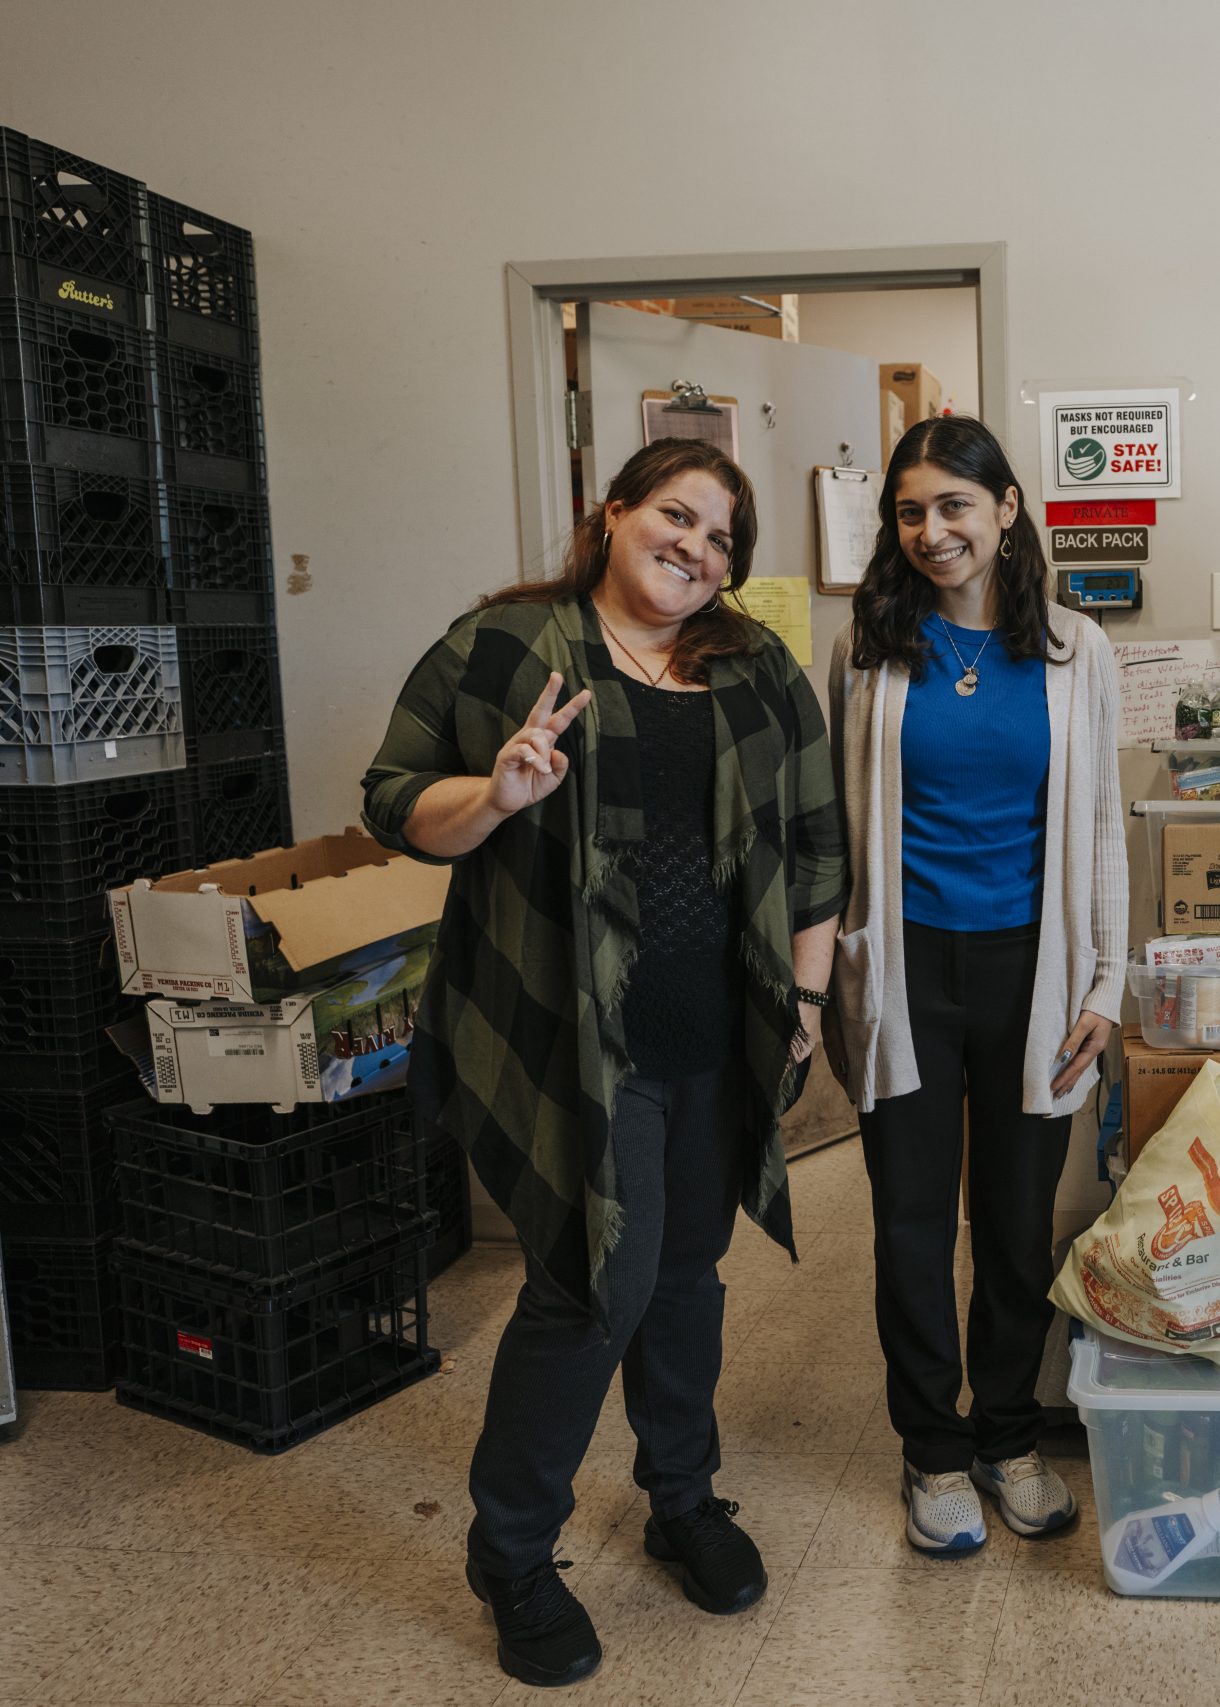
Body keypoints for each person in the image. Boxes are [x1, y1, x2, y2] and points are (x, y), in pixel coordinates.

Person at [362, 438, 846, 1687]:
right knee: (594, 1284)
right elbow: (396, 803)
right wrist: (498, 794)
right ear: (612, 513)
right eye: (675, 516)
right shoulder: (504, 648)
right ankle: (512, 1556)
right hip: (574, 1035)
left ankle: (680, 1498)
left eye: (722, 536)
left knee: (688, 1275)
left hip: (716, 1029)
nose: (695, 548)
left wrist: (803, 997)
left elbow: (814, 842)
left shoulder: (755, 667)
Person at [823, 416, 1125, 1558]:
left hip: (1031, 973)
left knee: (1013, 1218)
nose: (933, 529)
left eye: (955, 504)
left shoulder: (1072, 650)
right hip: (902, 970)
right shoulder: (866, 650)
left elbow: (1098, 825)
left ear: (1005, 509)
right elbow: (832, 829)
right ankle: (931, 1451)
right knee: (908, 1222)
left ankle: (1007, 1432)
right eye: (911, 511)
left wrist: (1107, 978)